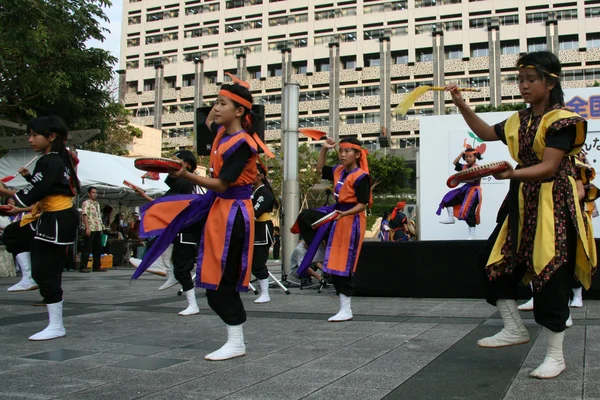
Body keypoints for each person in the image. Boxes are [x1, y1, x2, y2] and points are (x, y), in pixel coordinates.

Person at [446, 51, 598, 379]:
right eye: (520, 79)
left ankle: (555, 356)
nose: (524, 86)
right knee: (492, 262)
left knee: (551, 274)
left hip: (553, 204)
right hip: (522, 201)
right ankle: (514, 328)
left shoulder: (562, 120)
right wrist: (460, 104)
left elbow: (549, 166)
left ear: (550, 81)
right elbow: (486, 133)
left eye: (531, 79)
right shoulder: (519, 119)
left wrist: (510, 175)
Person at [132, 81, 269, 361]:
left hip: (234, 214)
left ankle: (236, 341)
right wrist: (230, 87)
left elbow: (220, 183)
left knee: (222, 282)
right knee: (208, 273)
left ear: (240, 111)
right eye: (215, 102)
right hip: (219, 210)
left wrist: (186, 174)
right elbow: (209, 120)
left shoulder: (243, 144)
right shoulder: (220, 133)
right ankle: (167, 266)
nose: (215, 108)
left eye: (222, 104)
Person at [0, 115, 80, 340]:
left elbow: (36, 191)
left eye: (34, 135)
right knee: (13, 234)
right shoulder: (55, 160)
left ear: (51, 137)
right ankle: (29, 277)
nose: (30, 139)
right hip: (49, 216)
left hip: (56, 219)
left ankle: (56, 325)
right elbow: (42, 187)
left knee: (48, 271)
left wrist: (9, 197)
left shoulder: (51, 160)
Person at [293, 136, 371, 322]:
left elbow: (362, 205)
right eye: (341, 151)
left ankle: (346, 309)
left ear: (357, 154)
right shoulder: (338, 170)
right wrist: (324, 149)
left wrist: (344, 215)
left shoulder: (361, 177)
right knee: (305, 217)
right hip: (336, 214)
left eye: (347, 151)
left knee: (343, 264)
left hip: (351, 219)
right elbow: (320, 169)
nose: (342, 155)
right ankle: (320, 248)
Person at [130, 150, 202, 302]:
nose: (171, 164)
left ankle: (162, 267)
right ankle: (168, 271)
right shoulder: (188, 182)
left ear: (186, 164)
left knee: (182, 268)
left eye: (175, 161)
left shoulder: (185, 181)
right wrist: (143, 195)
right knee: (179, 267)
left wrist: (144, 196)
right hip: (184, 229)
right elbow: (164, 204)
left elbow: (162, 205)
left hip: (185, 230)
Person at [436, 148, 483, 240]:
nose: (468, 159)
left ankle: (472, 235)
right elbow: (455, 163)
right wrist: (462, 153)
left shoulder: (477, 168)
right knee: (448, 198)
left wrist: (460, 179)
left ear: (475, 157)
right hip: (465, 189)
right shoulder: (464, 167)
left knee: (469, 212)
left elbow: (473, 180)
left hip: (474, 190)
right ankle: (451, 218)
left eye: (470, 156)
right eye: (466, 157)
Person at [251, 163, 278, 304]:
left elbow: (253, 213)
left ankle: (265, 293)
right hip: (254, 229)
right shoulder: (253, 190)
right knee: (250, 261)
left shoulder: (264, 193)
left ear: (260, 176)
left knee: (258, 262)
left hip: (262, 229)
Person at [80, 186, 105, 273]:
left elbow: (98, 216)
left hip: (97, 227)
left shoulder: (97, 204)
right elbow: (85, 215)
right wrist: (87, 227)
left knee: (97, 248)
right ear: (89, 194)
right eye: (93, 192)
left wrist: (101, 227)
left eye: (96, 192)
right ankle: (83, 266)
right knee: (87, 248)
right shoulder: (86, 203)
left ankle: (97, 266)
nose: (95, 194)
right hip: (90, 227)